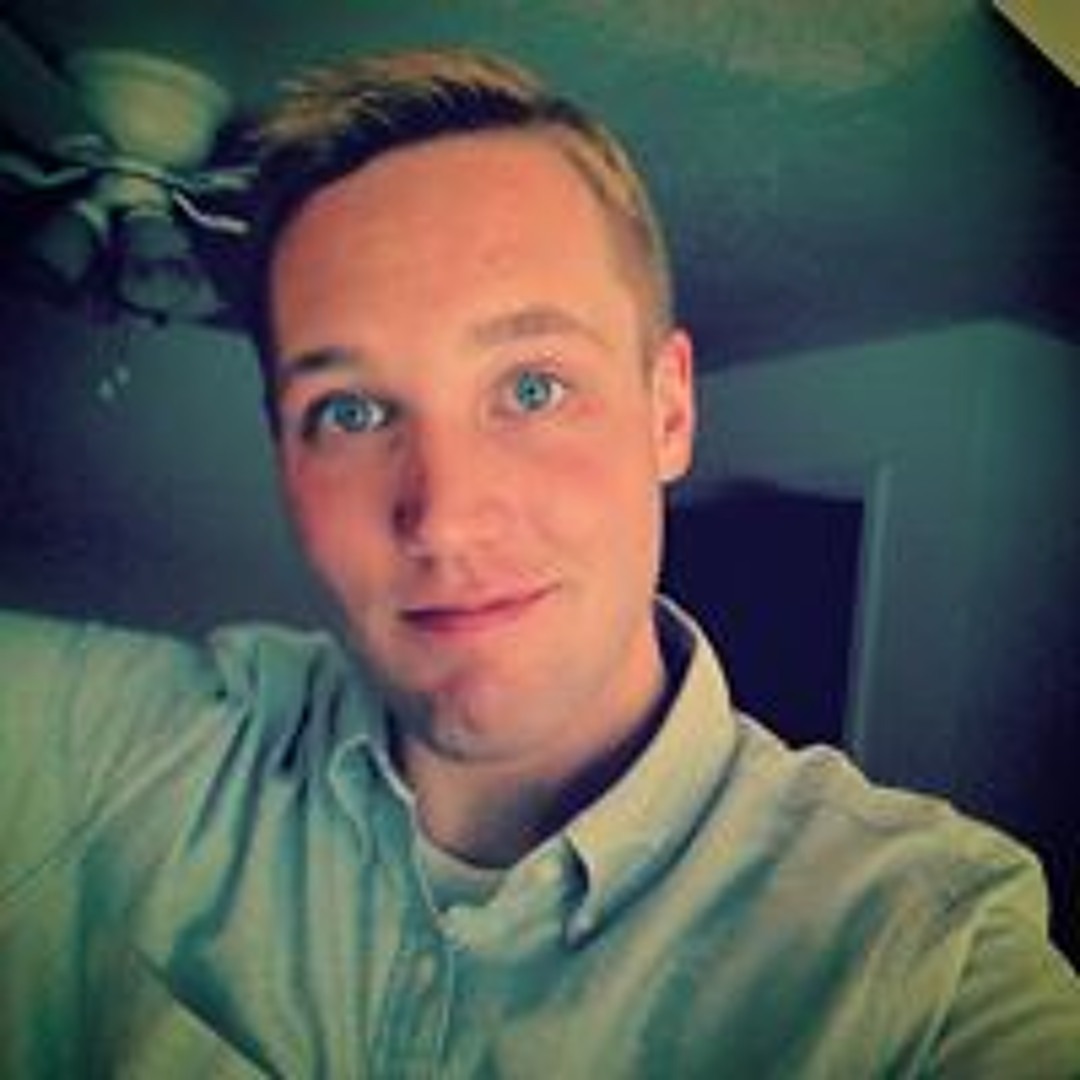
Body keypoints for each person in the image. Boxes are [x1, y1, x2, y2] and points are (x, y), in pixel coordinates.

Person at [1, 47, 1078, 1078]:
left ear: (668, 410)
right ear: (283, 453)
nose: (443, 517)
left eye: (531, 387)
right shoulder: (122, 758)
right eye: (351, 410)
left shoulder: (926, 963)